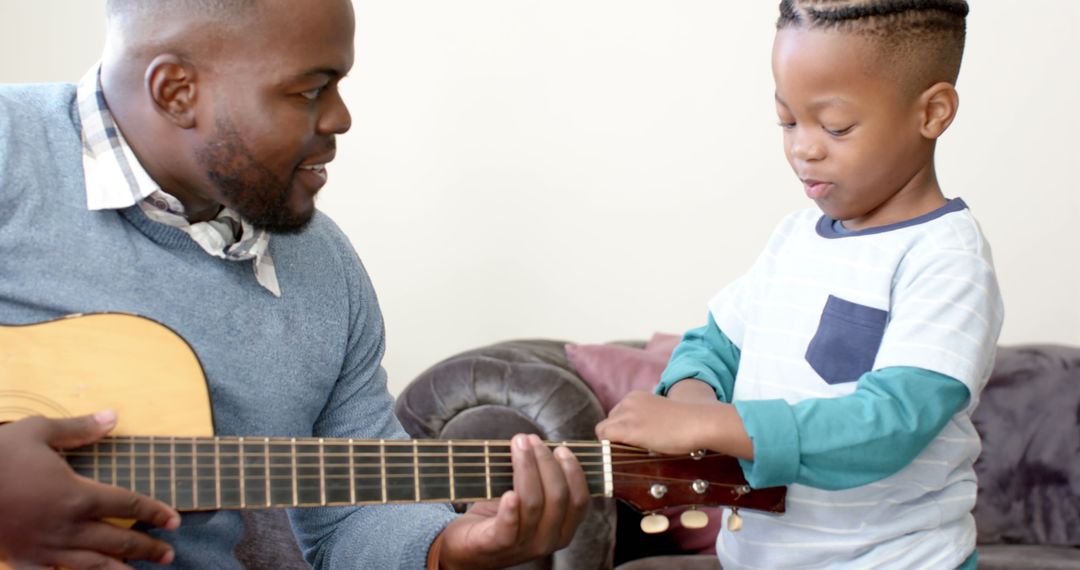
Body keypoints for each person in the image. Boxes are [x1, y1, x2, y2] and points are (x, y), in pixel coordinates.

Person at [0, 1, 589, 569]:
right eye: (309, 90)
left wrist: (452, 549)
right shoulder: (11, 152)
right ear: (177, 92)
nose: (340, 118)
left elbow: (355, 514)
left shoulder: (323, 268)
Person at [596, 1, 1004, 568]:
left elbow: (891, 424)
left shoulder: (945, 258)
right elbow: (714, 343)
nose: (802, 147)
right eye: (787, 121)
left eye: (835, 126)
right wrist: (692, 399)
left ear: (932, 112)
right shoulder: (795, 238)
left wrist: (714, 423)